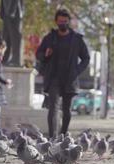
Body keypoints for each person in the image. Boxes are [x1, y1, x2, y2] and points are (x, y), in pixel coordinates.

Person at [36, 9, 90, 139]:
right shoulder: (49, 38)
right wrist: (45, 54)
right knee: (53, 108)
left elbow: (86, 58)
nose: (63, 23)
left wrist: (76, 71)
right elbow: (39, 54)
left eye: (65, 21)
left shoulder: (77, 39)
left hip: (70, 79)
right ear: (56, 22)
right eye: (60, 21)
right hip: (54, 78)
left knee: (67, 110)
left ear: (69, 22)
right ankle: (53, 137)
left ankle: (63, 134)